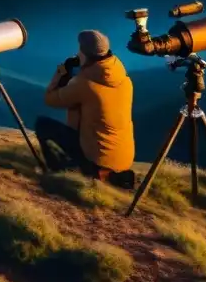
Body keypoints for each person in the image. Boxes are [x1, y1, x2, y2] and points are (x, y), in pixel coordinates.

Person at [36, 29, 136, 189]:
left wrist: (61, 73)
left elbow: (50, 99)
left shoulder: (85, 84)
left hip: (98, 158)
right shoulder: (123, 80)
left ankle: (57, 169)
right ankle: (87, 166)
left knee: (41, 124)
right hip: (124, 158)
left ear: (84, 53)